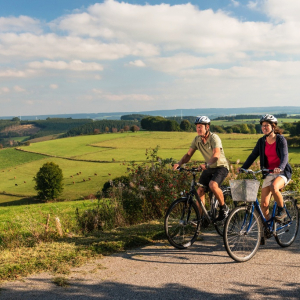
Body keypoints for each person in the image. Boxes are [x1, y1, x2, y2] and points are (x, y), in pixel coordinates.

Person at [173, 116, 230, 222]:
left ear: (207, 127)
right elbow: (188, 155)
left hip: (220, 167)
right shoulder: (197, 139)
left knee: (213, 185)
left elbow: (216, 154)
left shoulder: (214, 138)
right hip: (209, 167)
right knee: (200, 191)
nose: (198, 129)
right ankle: (201, 218)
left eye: (200, 127)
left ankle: (224, 208)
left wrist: (207, 165)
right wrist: (179, 163)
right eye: (197, 127)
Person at [240, 114, 292, 222]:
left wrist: (280, 167)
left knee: (274, 187)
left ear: (273, 127)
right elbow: (253, 155)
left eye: (266, 125)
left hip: (282, 172)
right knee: (263, 204)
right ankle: (266, 229)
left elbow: (285, 156)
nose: (264, 128)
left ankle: (282, 211)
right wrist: (243, 168)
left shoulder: (281, 140)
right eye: (263, 125)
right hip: (269, 172)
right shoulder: (261, 142)